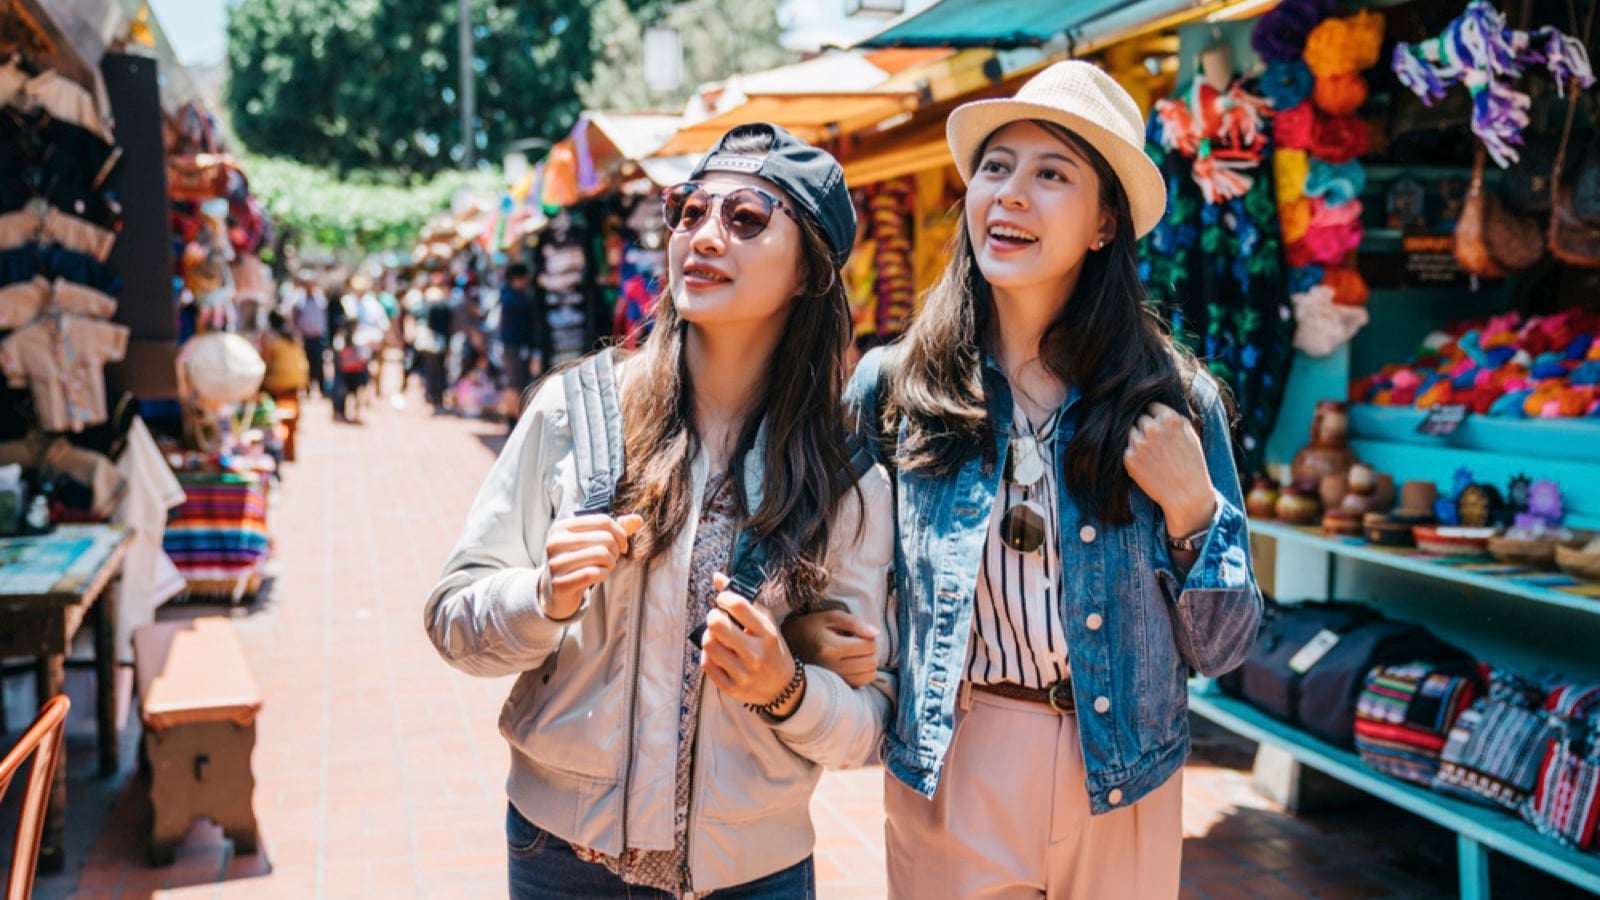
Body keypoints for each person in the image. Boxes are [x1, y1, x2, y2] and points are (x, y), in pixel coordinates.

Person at [790, 60, 1263, 899]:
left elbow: (1225, 650)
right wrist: (817, 633)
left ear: (1104, 223)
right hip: (956, 754)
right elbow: (825, 571)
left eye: (1052, 175)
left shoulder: (1175, 401)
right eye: (997, 169)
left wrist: (1194, 508)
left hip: (1123, 771)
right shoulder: (897, 390)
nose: (1010, 195)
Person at [424, 123, 895, 899]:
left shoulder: (844, 477)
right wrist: (541, 598)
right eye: (688, 211)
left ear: (810, 268)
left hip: (752, 873)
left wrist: (787, 687)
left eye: (746, 218)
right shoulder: (574, 410)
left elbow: (868, 720)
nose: (704, 236)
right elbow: (452, 619)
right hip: (561, 858)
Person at [495, 261, 546, 424]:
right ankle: (514, 421)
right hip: (515, 348)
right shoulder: (514, 299)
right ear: (516, 279)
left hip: (512, 347)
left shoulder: (507, 296)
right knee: (516, 384)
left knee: (514, 383)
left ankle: (514, 420)